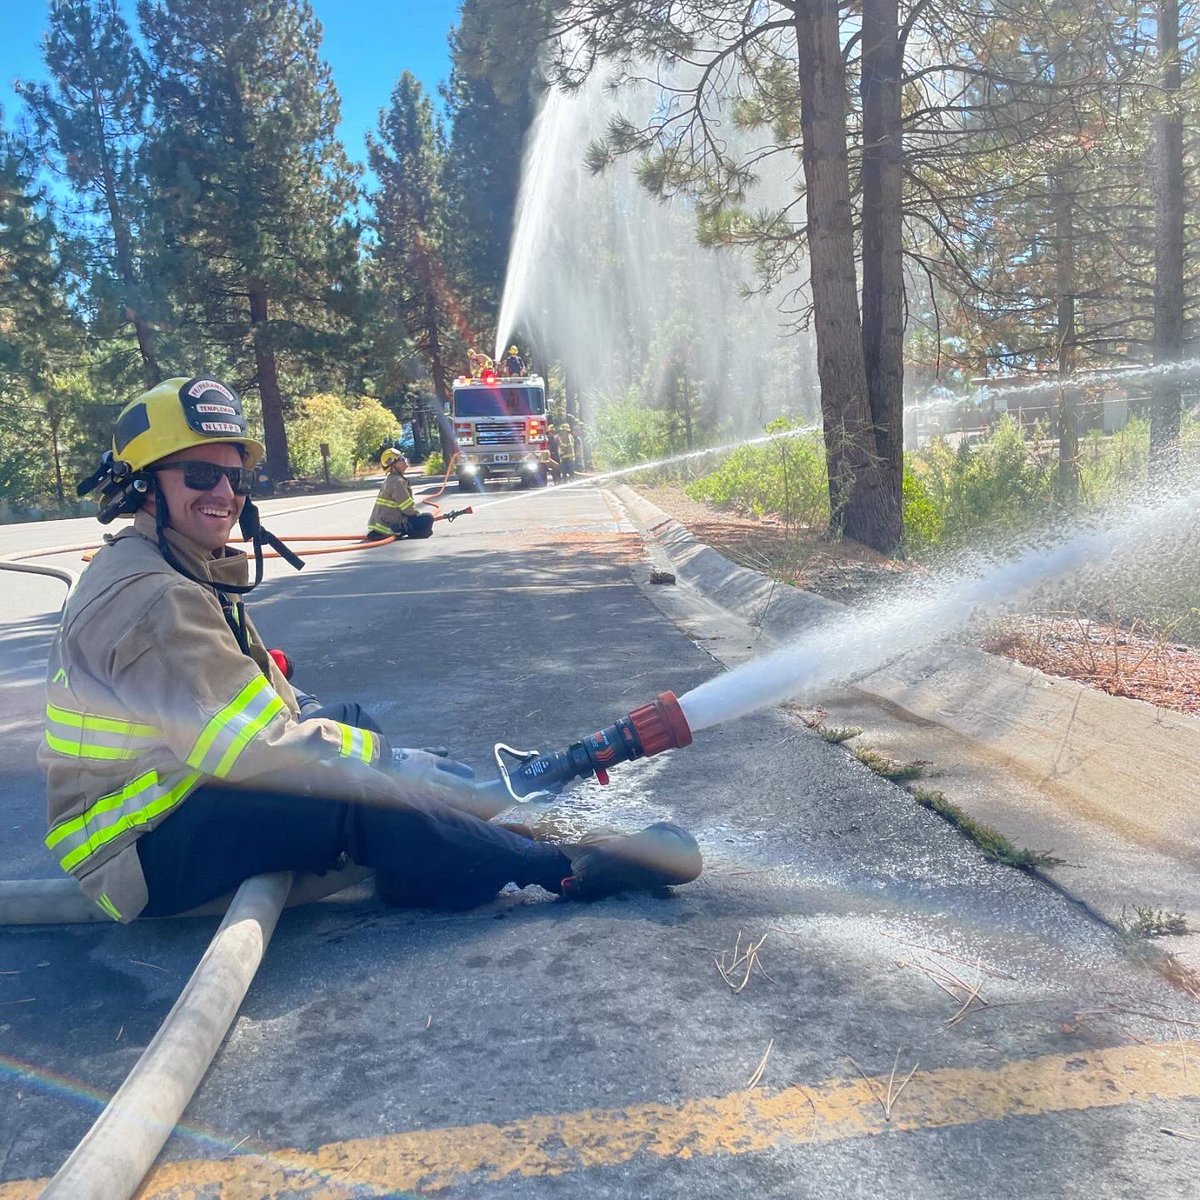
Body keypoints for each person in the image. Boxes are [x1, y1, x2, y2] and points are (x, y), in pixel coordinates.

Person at [42, 376, 702, 922]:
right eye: (199, 474)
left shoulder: (173, 565)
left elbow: (261, 708)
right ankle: (564, 868)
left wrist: (385, 754)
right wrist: (391, 763)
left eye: (236, 479)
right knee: (355, 789)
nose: (224, 494)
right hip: (136, 851)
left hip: (178, 796)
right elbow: (252, 752)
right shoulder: (156, 595)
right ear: (144, 486)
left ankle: (433, 848)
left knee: (354, 726)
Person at [365, 448, 435, 541]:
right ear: (394, 465)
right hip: (388, 528)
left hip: (379, 527)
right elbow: (408, 509)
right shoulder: (397, 482)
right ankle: (411, 532)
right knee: (428, 518)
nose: (405, 460)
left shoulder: (390, 480)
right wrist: (418, 517)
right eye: (401, 458)